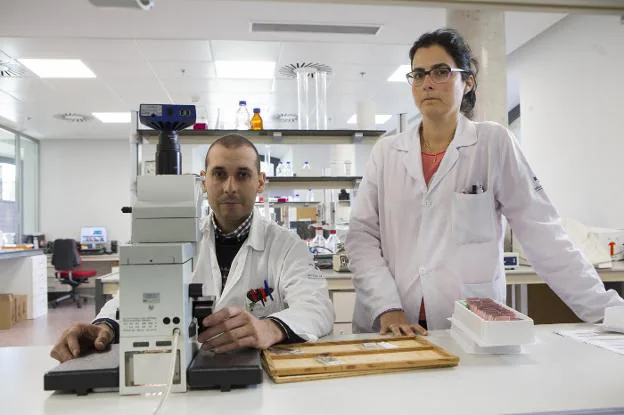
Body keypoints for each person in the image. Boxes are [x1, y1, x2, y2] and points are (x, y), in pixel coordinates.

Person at [345, 28, 624, 336]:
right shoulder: (387, 153)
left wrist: (607, 312)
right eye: (419, 73)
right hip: (394, 325)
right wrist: (388, 308)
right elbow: (362, 238)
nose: (428, 82)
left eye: (441, 72)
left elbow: (543, 234)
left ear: (467, 82)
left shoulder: (492, 143)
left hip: (469, 325)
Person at [51, 134, 334, 362]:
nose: (230, 187)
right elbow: (136, 296)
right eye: (220, 174)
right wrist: (105, 326)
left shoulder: (286, 246)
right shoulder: (178, 239)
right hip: (183, 369)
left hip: (261, 379)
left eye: (243, 175)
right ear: (204, 181)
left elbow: (317, 307)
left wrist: (269, 327)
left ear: (260, 182)